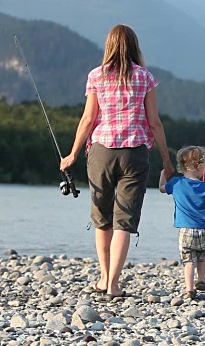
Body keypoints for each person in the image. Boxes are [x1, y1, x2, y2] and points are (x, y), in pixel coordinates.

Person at [60, 24, 175, 299]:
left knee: (102, 217)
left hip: (101, 151)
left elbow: (88, 119)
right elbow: (155, 123)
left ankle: (102, 277)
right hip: (135, 153)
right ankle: (113, 284)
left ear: (109, 45)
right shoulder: (145, 77)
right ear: (135, 46)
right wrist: (167, 162)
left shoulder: (96, 76)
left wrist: (73, 154)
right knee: (125, 220)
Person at [159, 146, 205, 300]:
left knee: (188, 260)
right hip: (204, 229)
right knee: (201, 256)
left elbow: (161, 189)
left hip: (186, 230)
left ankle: (190, 290)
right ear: (198, 166)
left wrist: (162, 175)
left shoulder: (176, 183)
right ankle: (201, 280)